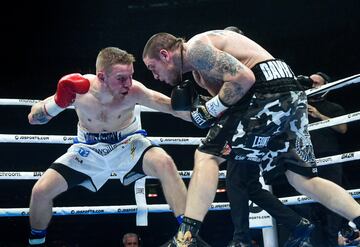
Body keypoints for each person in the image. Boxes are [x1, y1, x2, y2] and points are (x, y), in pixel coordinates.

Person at [142, 30, 360, 247]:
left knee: (206, 155)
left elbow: (244, 78)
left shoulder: (195, 48)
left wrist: (208, 109)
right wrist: (203, 107)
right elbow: (231, 102)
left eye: (153, 68)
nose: (155, 76)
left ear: (165, 54)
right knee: (301, 179)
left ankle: (185, 240)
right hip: (288, 90)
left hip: (266, 89)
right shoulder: (200, 73)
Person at [27, 47, 190, 246]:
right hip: (88, 150)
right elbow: (34, 118)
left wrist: (212, 115)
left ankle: (187, 237)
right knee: (40, 191)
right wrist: (58, 102)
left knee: (164, 162)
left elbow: (173, 107)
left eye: (131, 76)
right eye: (121, 78)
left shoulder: (134, 90)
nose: (128, 83)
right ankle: (36, 242)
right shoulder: (80, 90)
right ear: (101, 76)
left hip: (128, 144)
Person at [223, 26, 314, 247]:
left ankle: (241, 239)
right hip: (265, 128)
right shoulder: (259, 58)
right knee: (251, 185)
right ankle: (296, 223)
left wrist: (226, 133)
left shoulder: (240, 64)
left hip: (250, 127)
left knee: (235, 181)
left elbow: (237, 100)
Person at [297, 72, 348, 246]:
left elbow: (342, 128)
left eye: (316, 83)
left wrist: (318, 114)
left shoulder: (333, 107)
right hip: (305, 158)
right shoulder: (299, 106)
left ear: (326, 86)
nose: (312, 86)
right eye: (310, 83)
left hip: (329, 158)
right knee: (310, 204)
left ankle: (334, 239)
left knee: (333, 200)